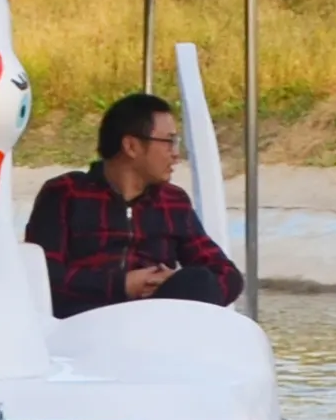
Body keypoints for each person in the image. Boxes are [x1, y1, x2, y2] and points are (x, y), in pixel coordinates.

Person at [26, 91, 242, 314]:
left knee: (199, 280)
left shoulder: (173, 202)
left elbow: (228, 275)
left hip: (155, 323)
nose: (175, 155)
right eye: (169, 142)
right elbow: (43, 277)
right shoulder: (65, 193)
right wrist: (122, 285)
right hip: (84, 326)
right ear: (131, 146)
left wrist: (173, 283)